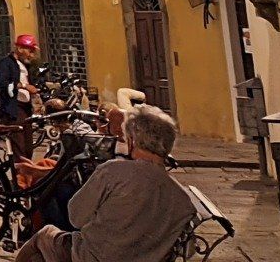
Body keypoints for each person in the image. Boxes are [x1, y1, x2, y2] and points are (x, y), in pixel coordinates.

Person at [14, 106, 195, 262]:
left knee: (44, 236)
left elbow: (75, 217)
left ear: (132, 141)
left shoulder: (114, 171)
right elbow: (190, 248)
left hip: (90, 257)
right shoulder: (182, 199)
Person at [0, 34, 41, 153]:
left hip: (25, 109)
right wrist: (25, 86)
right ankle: (19, 170)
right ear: (20, 49)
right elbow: (3, 83)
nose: (31, 55)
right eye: (29, 51)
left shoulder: (25, 65)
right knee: (19, 148)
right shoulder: (6, 63)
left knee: (28, 148)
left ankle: (26, 170)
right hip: (15, 109)